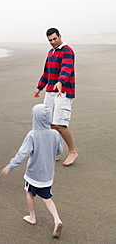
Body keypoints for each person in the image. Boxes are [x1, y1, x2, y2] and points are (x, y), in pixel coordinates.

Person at [2, 104, 64, 239]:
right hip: (48, 175)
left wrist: (10, 166)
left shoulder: (32, 135)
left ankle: (32, 216)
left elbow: (22, 154)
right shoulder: (55, 134)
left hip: (33, 175)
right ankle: (57, 219)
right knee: (47, 198)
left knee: (29, 193)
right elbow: (59, 151)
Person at [33, 27, 78, 166]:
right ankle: (56, 150)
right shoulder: (51, 52)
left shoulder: (67, 51)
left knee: (60, 124)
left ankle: (72, 151)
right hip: (50, 91)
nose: (53, 42)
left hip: (63, 91)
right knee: (50, 123)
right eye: (50, 40)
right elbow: (46, 72)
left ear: (60, 36)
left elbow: (66, 67)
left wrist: (61, 81)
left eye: (55, 39)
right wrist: (39, 87)